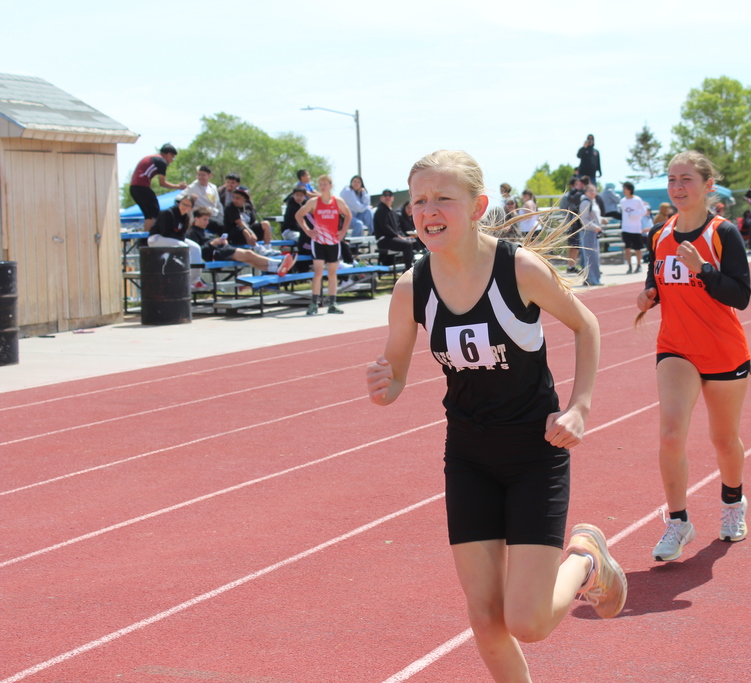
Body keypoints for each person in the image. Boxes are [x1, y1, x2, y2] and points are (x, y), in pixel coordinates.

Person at [366, 150, 625, 683]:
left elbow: (587, 326)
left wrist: (579, 406)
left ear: (478, 205)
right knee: (486, 620)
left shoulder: (519, 270)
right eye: (418, 200)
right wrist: (382, 385)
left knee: (526, 623)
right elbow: (392, 380)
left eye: (443, 198)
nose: (428, 209)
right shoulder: (411, 288)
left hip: (535, 452)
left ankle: (586, 561)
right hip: (468, 456)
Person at [636, 150, 751, 563]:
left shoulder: (724, 234)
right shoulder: (658, 234)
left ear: (707, 186)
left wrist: (704, 270)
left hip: (723, 351)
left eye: (686, 179)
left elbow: (741, 295)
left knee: (723, 439)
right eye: (672, 180)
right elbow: (656, 279)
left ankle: (733, 503)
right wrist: (648, 296)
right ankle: (678, 521)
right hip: (676, 349)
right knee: (670, 434)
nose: (678, 187)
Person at [295, 175, 353, 315]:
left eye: (325, 184)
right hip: (319, 242)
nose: (322, 186)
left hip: (333, 241)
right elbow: (298, 215)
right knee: (318, 272)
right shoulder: (314, 202)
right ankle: (314, 303)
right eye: (320, 184)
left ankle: (332, 303)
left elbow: (348, 215)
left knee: (332, 272)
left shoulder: (337, 201)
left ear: (330, 186)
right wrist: (308, 231)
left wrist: (342, 232)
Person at [191, 206, 295, 277]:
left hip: (222, 250)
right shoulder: (192, 232)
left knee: (249, 260)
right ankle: (278, 263)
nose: (207, 222)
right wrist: (213, 243)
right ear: (196, 218)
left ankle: (276, 269)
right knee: (249, 254)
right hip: (214, 254)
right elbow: (199, 250)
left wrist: (222, 241)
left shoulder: (205, 231)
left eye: (207, 219)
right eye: (204, 219)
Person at [147, 192, 204, 289]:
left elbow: (182, 234)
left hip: (172, 239)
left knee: (196, 248)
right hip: (156, 238)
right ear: (179, 203)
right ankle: (184, 278)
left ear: (191, 208)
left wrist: (180, 238)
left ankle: (194, 279)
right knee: (184, 247)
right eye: (183, 204)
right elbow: (165, 232)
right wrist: (180, 238)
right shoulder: (168, 213)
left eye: (187, 205)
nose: (184, 207)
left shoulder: (185, 217)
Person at [129, 144, 187, 233]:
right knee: (153, 214)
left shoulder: (153, 158)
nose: (172, 160)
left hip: (134, 188)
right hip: (142, 188)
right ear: (168, 154)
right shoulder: (161, 161)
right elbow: (162, 183)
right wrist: (178, 187)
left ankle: (146, 236)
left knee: (149, 214)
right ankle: (149, 238)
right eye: (172, 157)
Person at [373, 189, 417, 272]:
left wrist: (404, 237)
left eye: (389, 195)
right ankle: (409, 270)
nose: (387, 197)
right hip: (384, 240)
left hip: (393, 238)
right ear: (381, 198)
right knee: (407, 245)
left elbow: (398, 228)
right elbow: (385, 227)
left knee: (413, 242)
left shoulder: (392, 212)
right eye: (385, 195)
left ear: (392, 198)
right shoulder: (380, 210)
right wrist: (399, 237)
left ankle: (418, 267)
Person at [224, 186, 275, 253]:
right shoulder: (230, 207)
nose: (234, 200)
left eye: (237, 198)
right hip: (234, 234)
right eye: (233, 197)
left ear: (244, 199)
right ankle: (259, 249)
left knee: (265, 224)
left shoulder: (248, 207)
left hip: (248, 232)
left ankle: (267, 248)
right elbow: (239, 223)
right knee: (245, 230)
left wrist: (263, 232)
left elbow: (253, 223)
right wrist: (252, 233)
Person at [185, 165, 224, 236]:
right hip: (202, 217)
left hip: (215, 214)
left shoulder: (213, 187)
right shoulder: (192, 187)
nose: (200, 177)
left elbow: (218, 204)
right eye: (199, 175)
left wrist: (222, 215)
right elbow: (179, 198)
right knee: (220, 225)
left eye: (203, 175)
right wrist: (189, 198)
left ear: (209, 176)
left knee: (228, 223)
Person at [578, 184, 605, 286]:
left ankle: (590, 279)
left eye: (594, 190)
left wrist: (601, 220)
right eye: (590, 190)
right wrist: (595, 226)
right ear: (585, 192)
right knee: (591, 257)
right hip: (588, 232)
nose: (592, 192)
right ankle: (593, 279)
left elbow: (594, 217)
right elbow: (583, 219)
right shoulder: (586, 202)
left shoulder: (593, 202)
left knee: (593, 256)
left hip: (593, 232)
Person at [559, 177, 586, 272]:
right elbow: (562, 209)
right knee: (572, 245)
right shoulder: (568, 196)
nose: (577, 187)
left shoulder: (579, 195)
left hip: (578, 223)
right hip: (571, 224)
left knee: (577, 246)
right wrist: (568, 220)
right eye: (576, 185)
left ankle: (573, 265)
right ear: (571, 186)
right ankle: (570, 266)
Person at [619, 181, 646, 274]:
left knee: (637, 248)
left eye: (625, 188)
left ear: (630, 190)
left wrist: (635, 214)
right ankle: (629, 266)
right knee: (627, 248)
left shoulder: (637, 200)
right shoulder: (622, 201)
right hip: (626, 228)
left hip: (636, 228)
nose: (623, 191)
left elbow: (644, 211)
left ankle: (639, 265)